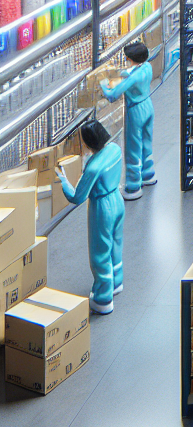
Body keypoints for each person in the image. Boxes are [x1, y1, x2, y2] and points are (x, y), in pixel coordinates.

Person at [55, 119, 125, 314]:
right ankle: (116, 282)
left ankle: (103, 298)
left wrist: (63, 181)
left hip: (102, 207)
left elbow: (78, 197)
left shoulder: (93, 166)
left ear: (88, 142)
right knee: (116, 243)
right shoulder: (114, 149)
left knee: (100, 252)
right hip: (117, 200)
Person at [100, 40, 154, 200]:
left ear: (131, 59)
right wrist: (121, 73)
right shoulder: (147, 67)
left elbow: (112, 95)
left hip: (135, 110)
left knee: (132, 148)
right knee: (146, 142)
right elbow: (133, 73)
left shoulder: (133, 78)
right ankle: (148, 174)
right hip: (148, 105)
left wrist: (103, 83)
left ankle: (133, 186)